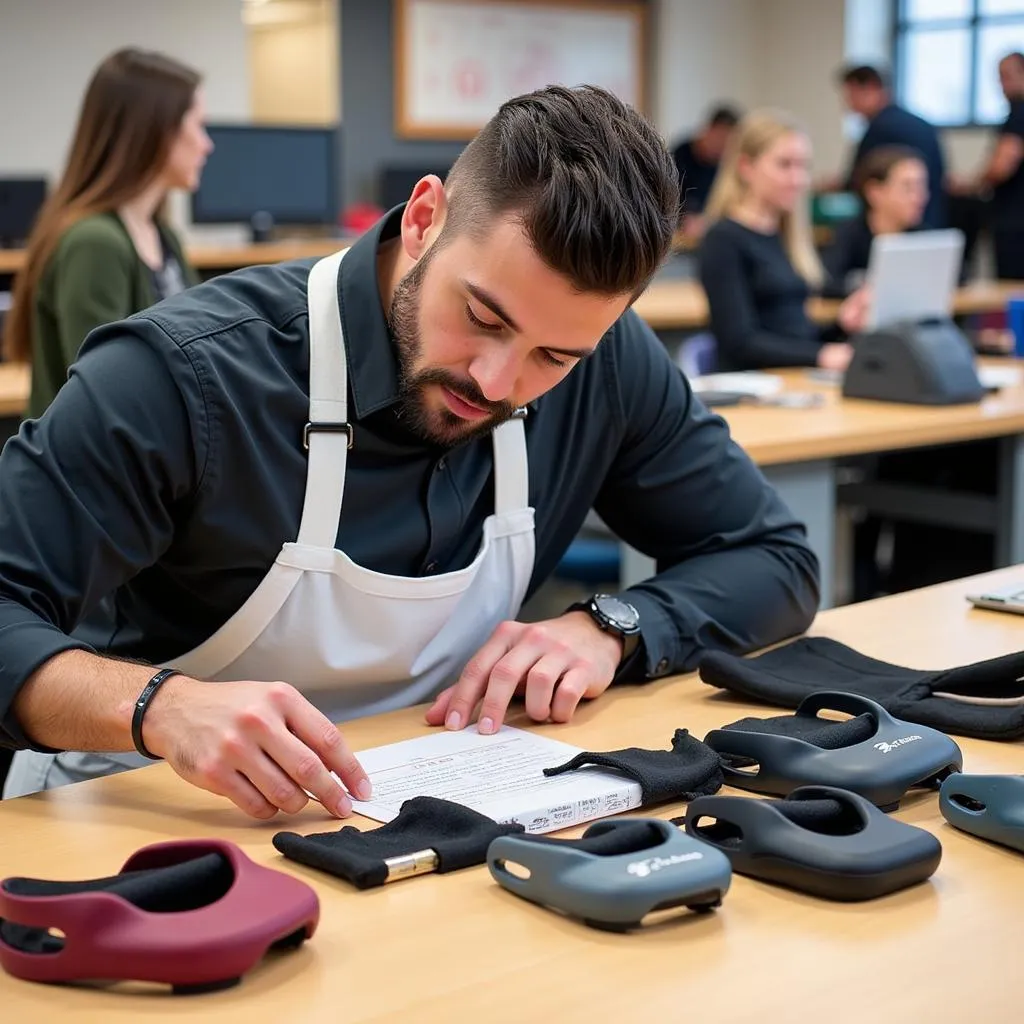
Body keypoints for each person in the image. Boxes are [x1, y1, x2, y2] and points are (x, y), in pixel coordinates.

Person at [0, 86, 819, 817]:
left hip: (425, 814)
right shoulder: (182, 376)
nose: (497, 383)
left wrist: (616, 626)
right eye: (484, 318)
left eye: (553, 359)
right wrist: (160, 707)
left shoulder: (610, 363)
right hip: (142, 823)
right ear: (425, 219)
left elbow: (775, 558)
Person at [3, 48, 211, 419]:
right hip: (91, 472)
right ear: (155, 131)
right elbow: (109, 396)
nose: (206, 144)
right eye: (197, 126)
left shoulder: (164, 237)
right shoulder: (94, 243)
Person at [699, 109, 869, 373]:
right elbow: (740, 342)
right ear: (746, 167)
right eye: (785, 165)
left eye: (804, 166)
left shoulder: (786, 237)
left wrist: (841, 325)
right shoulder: (723, 240)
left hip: (791, 382)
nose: (799, 179)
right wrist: (822, 355)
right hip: (751, 390)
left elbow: (794, 335)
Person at [833, 64, 946, 230]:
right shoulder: (923, 125)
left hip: (897, 226)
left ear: (870, 89)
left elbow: (858, 179)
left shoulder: (879, 128)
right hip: (933, 219)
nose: (848, 104)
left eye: (851, 95)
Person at [822, 145, 929, 298]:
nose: (919, 197)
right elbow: (826, 281)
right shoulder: (848, 235)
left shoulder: (924, 237)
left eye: (922, 186)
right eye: (908, 187)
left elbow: (958, 276)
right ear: (875, 192)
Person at [961, 51, 1024, 279]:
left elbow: (1003, 165)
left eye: (1006, 76)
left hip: (1014, 222)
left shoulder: (1019, 112)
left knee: (1012, 292)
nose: (1001, 84)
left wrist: (970, 185)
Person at [671, 105, 741, 238]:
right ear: (708, 130)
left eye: (730, 142)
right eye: (722, 138)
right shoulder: (679, 155)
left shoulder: (725, 166)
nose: (724, 146)